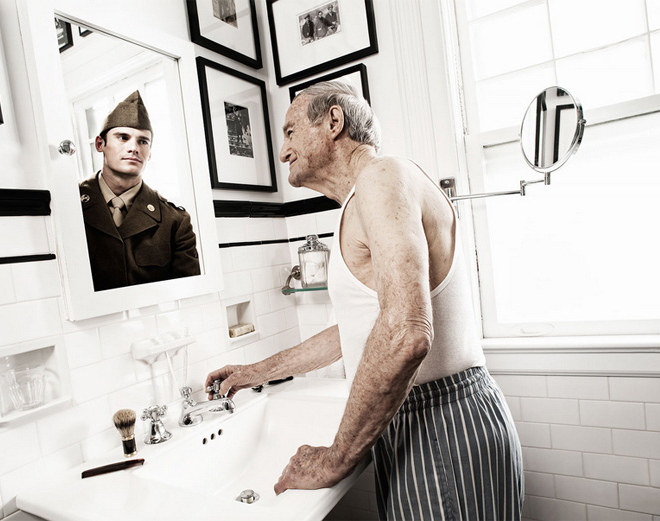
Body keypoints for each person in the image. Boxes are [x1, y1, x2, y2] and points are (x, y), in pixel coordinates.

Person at [204, 81, 523, 520]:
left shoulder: (381, 176)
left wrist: (334, 459)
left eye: (290, 131)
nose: (282, 152)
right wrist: (255, 372)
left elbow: (406, 333)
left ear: (334, 121)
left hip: (438, 424)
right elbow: (362, 329)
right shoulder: (364, 197)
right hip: (424, 422)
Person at [79, 90, 200, 292]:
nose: (133, 148)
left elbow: (188, 293)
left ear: (149, 153)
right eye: (123, 137)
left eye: (143, 141)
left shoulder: (174, 221)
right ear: (100, 144)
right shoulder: (69, 205)